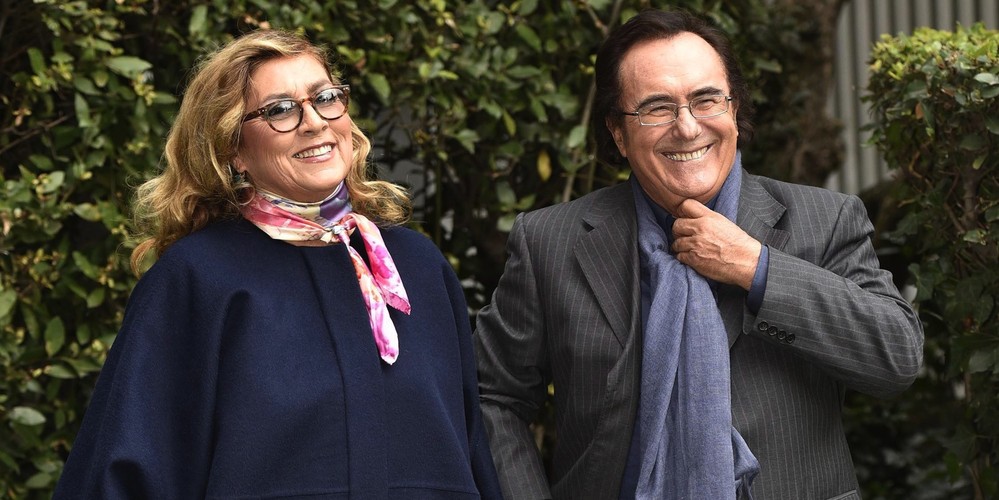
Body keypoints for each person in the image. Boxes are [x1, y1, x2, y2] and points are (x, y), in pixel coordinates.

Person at [474, 9, 924, 500]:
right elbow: (493, 395)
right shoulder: (550, 242)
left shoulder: (824, 219)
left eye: (706, 100)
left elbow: (895, 357)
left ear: (734, 110)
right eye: (657, 107)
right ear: (618, 132)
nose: (687, 128)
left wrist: (757, 267)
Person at [54, 30, 501, 499]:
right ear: (234, 150)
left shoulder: (419, 267)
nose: (314, 122)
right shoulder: (197, 279)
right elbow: (125, 472)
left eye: (325, 98)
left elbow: (471, 450)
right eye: (281, 110)